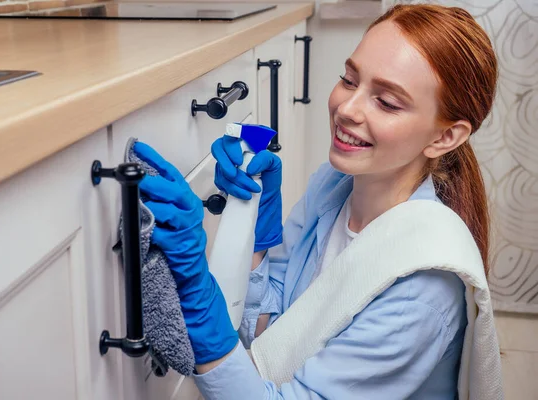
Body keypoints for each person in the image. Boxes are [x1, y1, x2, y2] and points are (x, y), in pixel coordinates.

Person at [134, 4, 503, 399]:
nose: (346, 109)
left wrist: (198, 300)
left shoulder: (419, 293)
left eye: (387, 102)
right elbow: (271, 335)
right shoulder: (336, 186)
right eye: (348, 79)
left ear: (444, 137)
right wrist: (254, 233)